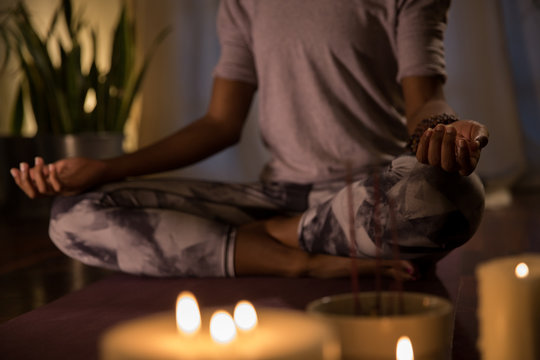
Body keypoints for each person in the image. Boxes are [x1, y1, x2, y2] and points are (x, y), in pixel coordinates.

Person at [10, 0, 488, 280]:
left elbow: (425, 100)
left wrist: (441, 133)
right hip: (275, 197)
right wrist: (106, 169)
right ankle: (300, 259)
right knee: (73, 216)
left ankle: (277, 237)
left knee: (455, 199)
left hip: (366, 197)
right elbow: (220, 122)